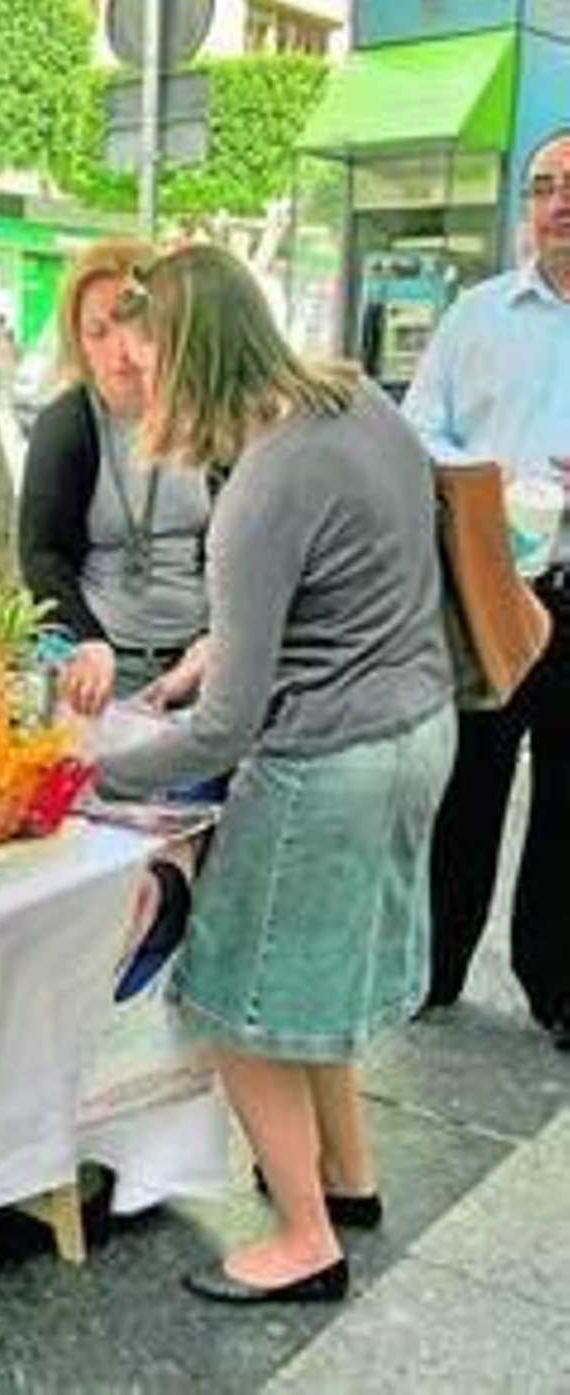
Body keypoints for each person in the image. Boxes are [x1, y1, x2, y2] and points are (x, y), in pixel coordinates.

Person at [98, 245, 455, 1304]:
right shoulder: (357, 402)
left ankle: (303, 1240)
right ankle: (347, 1178)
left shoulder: (256, 490)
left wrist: (96, 776)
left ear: (189, 357)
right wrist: (223, 644)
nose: (133, 378)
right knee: (313, 980)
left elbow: (222, 733)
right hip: (419, 730)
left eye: (144, 357)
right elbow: (363, 567)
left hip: (327, 767)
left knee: (237, 1002)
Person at [401, 129, 570, 1052]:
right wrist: (484, 479)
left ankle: (557, 984)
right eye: (543, 186)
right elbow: (418, 427)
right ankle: (434, 964)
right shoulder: (477, 316)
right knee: (466, 779)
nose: (557, 203)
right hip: (488, 582)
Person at [18, 239, 212, 716]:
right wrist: (85, 641)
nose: (119, 353)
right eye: (97, 333)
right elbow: (42, 555)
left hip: (201, 665)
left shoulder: (209, 417)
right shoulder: (66, 424)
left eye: (132, 326)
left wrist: (218, 638)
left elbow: (247, 552)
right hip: (100, 667)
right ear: (77, 343)